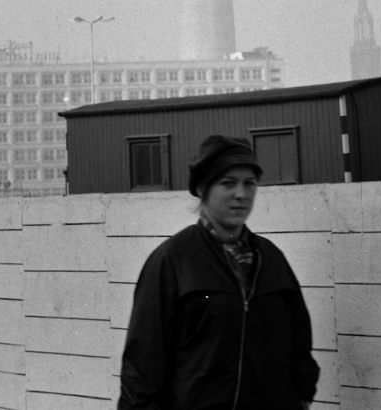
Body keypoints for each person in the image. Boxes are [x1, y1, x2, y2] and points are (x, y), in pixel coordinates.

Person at [119, 134, 319, 410]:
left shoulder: (271, 259)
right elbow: (142, 365)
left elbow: (299, 342)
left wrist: (301, 396)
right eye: (228, 183)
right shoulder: (172, 261)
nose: (242, 194)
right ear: (202, 188)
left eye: (249, 183)